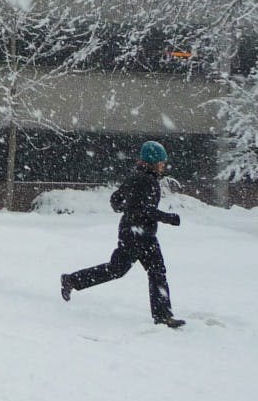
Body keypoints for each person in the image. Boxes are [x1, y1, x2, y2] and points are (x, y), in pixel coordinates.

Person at [60, 140, 185, 328]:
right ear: (153, 162)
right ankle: (72, 279)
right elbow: (145, 210)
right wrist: (168, 218)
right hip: (136, 235)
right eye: (161, 162)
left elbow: (116, 200)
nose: (163, 166)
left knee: (147, 270)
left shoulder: (136, 178)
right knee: (126, 270)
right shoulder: (147, 181)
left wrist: (129, 209)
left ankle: (163, 315)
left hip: (137, 233)